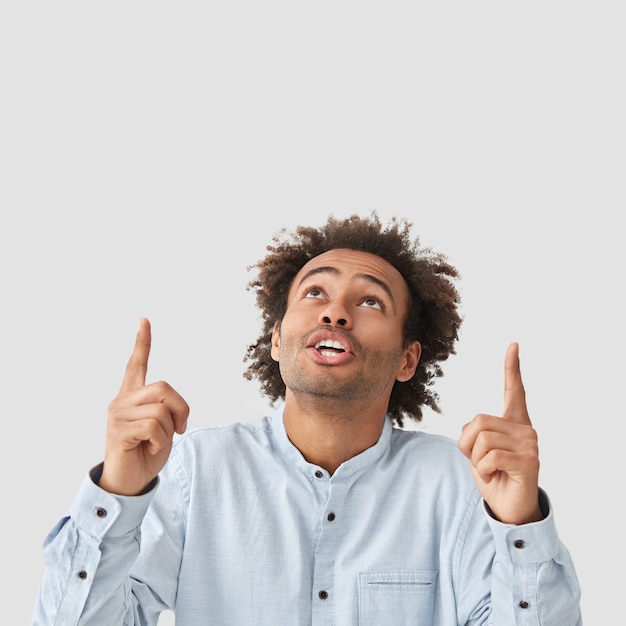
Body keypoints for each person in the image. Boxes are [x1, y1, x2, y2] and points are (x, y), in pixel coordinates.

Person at [33, 213, 582, 625]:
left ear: (408, 359)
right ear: (276, 340)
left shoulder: (462, 484)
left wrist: (519, 527)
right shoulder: (193, 471)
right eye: (315, 291)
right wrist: (118, 493)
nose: (336, 310)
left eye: (370, 302)